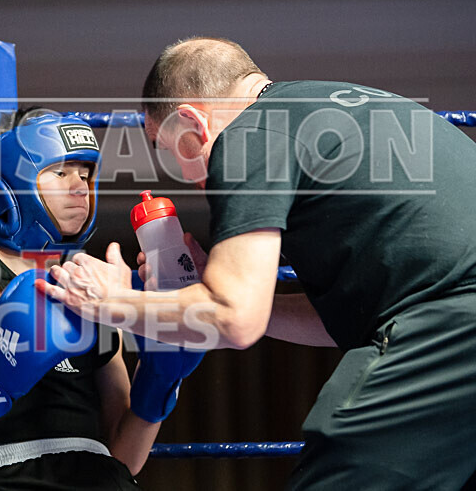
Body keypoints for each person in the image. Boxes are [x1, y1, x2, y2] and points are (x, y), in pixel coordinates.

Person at [38, 37, 476, 489]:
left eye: (166, 147)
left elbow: (235, 319)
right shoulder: (329, 105)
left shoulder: (249, 135)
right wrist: (226, 287)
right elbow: (340, 319)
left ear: (193, 123)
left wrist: (110, 301)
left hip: (447, 333)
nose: (186, 178)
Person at [0, 112, 167, 491]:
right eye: (61, 172)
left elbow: (125, 457)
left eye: (84, 173)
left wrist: (160, 379)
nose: (80, 186)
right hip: (15, 475)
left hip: (104, 478)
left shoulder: (93, 285)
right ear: (9, 184)